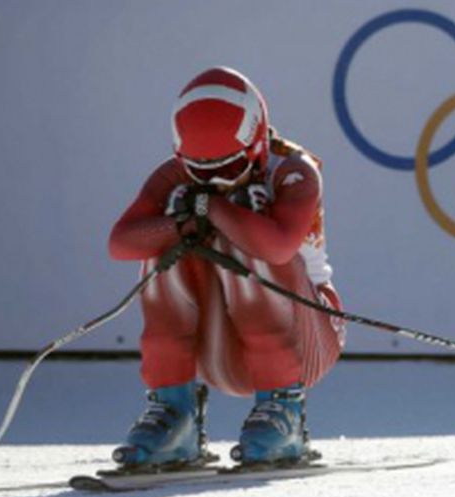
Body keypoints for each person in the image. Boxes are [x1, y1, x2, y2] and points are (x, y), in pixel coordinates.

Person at [107, 67, 345, 468]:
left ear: (256, 145)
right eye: (201, 171)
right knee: (166, 233)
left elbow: (279, 245)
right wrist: (182, 223)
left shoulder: (293, 172)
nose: (215, 180)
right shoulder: (175, 175)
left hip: (305, 342)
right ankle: (175, 412)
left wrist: (211, 208)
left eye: (229, 169)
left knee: (249, 223)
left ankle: (283, 410)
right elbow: (121, 243)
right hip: (221, 347)